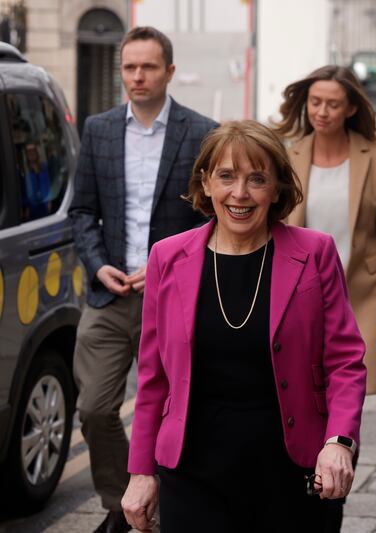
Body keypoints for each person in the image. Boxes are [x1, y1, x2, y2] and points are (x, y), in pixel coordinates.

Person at [121, 121, 367, 532]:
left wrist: (338, 442)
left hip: (293, 472)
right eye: (227, 176)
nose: (240, 193)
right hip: (193, 474)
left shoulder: (315, 252)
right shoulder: (167, 257)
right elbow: (153, 377)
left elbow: (345, 362)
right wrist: (141, 471)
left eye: (257, 179)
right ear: (206, 183)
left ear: (276, 189)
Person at [68, 26, 217, 533]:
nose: (137, 76)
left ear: (169, 72)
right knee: (92, 407)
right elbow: (83, 210)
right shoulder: (99, 129)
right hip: (109, 294)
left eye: (148, 66)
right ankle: (121, 505)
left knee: (183, 408)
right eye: (129, 66)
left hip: (177, 296)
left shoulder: (202, 133)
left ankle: (173, 501)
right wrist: (96, 263)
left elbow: (212, 217)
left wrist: (166, 265)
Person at [275, 65, 376, 395]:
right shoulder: (288, 155)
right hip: (303, 295)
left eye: (332, 104)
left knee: (353, 391)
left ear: (351, 108)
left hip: (364, 295)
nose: (322, 111)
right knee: (306, 390)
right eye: (315, 101)